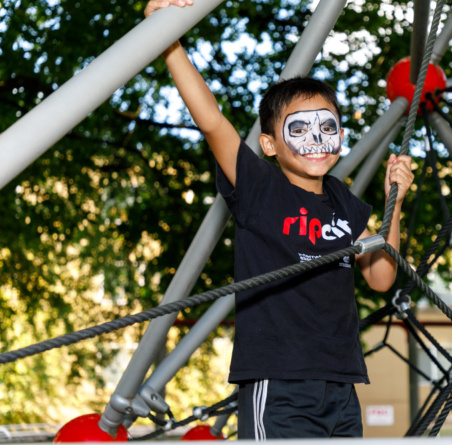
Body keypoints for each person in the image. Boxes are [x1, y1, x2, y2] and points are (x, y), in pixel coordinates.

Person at [145, 0, 415, 439]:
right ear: (270, 144)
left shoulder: (343, 202)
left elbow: (382, 278)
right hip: (279, 381)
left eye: (327, 127)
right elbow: (212, 122)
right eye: (299, 129)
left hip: (341, 382)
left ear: (340, 135)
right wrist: (168, 41)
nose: (315, 139)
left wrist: (394, 203)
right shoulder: (260, 188)